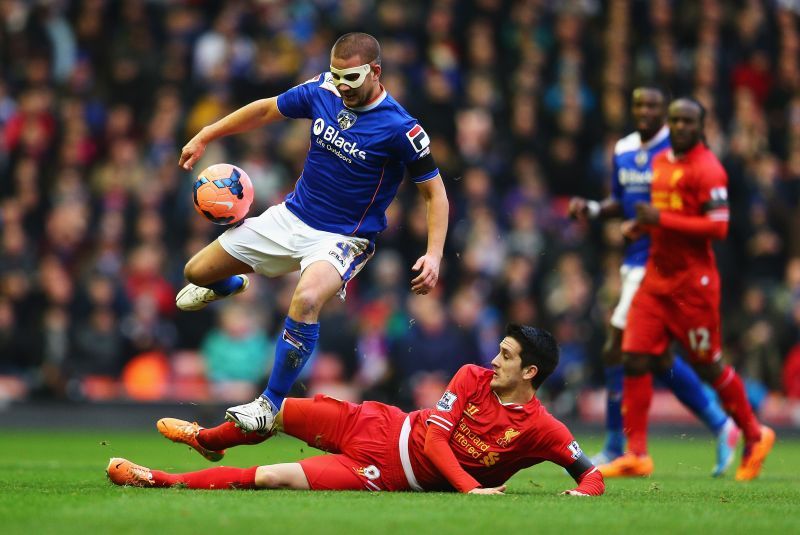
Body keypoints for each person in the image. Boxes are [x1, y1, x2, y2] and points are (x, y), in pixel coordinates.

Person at [174, 33, 449, 433]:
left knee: (305, 299)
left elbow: (434, 194)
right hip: (291, 216)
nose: (342, 85)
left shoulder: (402, 129)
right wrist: (206, 134)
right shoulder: (323, 89)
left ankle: (269, 403)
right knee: (196, 272)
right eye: (337, 75)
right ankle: (232, 284)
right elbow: (266, 110)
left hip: (343, 238)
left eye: (351, 77)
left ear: (375, 72)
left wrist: (435, 253)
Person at [107, 325, 604, 496]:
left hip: (380, 471)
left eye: (507, 356)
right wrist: (473, 490)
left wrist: (583, 495)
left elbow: (592, 474)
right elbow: (434, 438)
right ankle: (207, 440)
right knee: (274, 412)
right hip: (379, 422)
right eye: (498, 351)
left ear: (531, 373)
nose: (495, 360)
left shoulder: (542, 429)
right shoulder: (472, 378)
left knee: (270, 478)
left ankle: (159, 480)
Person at [597, 98, 775, 481]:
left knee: (709, 366)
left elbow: (718, 227)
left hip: (694, 287)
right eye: (675, 120)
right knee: (633, 357)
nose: (680, 127)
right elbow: (663, 216)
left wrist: (662, 219)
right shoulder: (662, 163)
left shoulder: (708, 170)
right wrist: (641, 227)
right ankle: (637, 454)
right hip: (656, 280)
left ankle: (755, 433)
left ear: (701, 127)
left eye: (688, 121)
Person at [568, 87, 738, 476]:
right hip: (633, 260)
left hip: (661, 263)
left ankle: (616, 445)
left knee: (617, 347)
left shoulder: (674, 152)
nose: (645, 112)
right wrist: (594, 209)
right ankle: (721, 423)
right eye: (638, 105)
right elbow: (622, 200)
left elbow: (678, 208)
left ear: (666, 113)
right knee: (653, 357)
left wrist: (651, 223)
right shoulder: (624, 148)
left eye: (653, 107)